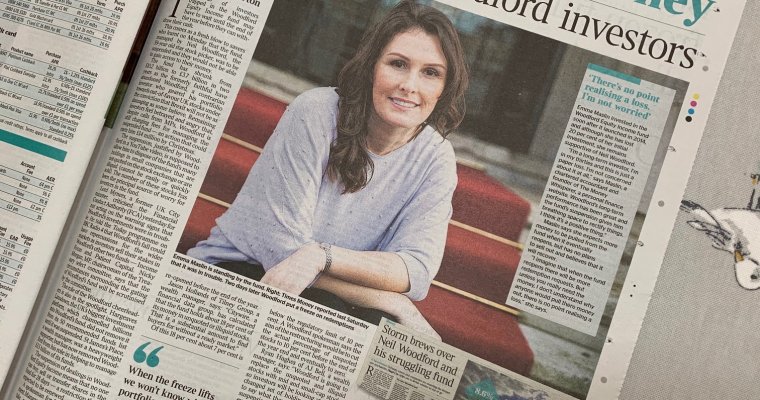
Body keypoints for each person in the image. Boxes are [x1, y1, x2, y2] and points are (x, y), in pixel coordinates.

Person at [188, 0, 468, 338]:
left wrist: (321, 256)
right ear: (371, 67)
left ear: (444, 87)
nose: (410, 85)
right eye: (397, 64)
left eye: (430, 73)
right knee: (340, 314)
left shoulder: (436, 157)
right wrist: (395, 302)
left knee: (366, 331)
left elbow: (416, 270)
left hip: (326, 292)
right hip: (240, 270)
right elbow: (283, 252)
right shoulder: (316, 112)